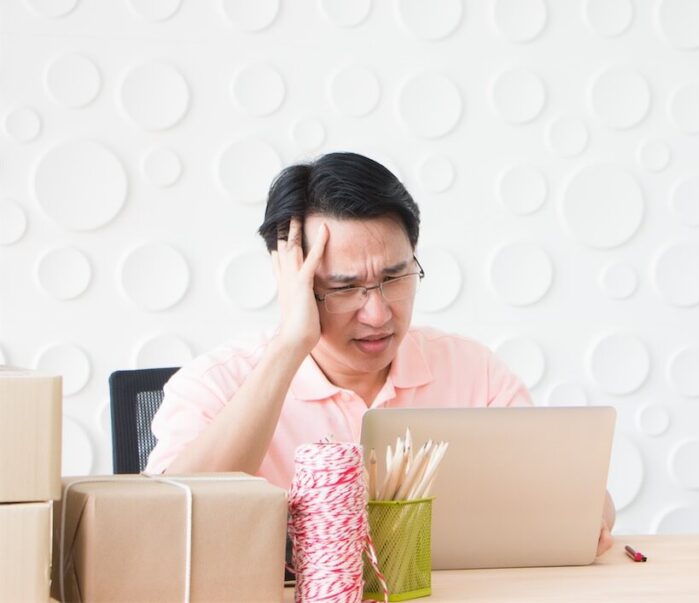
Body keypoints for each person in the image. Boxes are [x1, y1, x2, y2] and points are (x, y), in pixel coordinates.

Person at [145, 152, 614, 556]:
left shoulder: (473, 373)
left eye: (395, 277)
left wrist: (588, 514)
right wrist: (290, 347)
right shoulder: (215, 384)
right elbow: (166, 525)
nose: (377, 313)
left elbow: (579, 501)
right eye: (344, 287)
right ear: (293, 281)